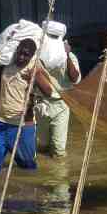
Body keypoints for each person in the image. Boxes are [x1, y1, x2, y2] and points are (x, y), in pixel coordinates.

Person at [0, 38, 55, 174]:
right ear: (16, 51)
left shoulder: (33, 69)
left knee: (28, 168)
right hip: (0, 122)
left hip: (22, 126)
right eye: (19, 53)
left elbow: (49, 92)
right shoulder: (5, 65)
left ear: (32, 55)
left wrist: (35, 76)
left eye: (26, 55)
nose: (21, 57)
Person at [35, 21, 81, 158]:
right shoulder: (35, 56)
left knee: (58, 151)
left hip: (61, 104)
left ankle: (58, 178)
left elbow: (75, 78)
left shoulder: (69, 57)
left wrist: (66, 55)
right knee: (40, 147)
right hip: (40, 103)